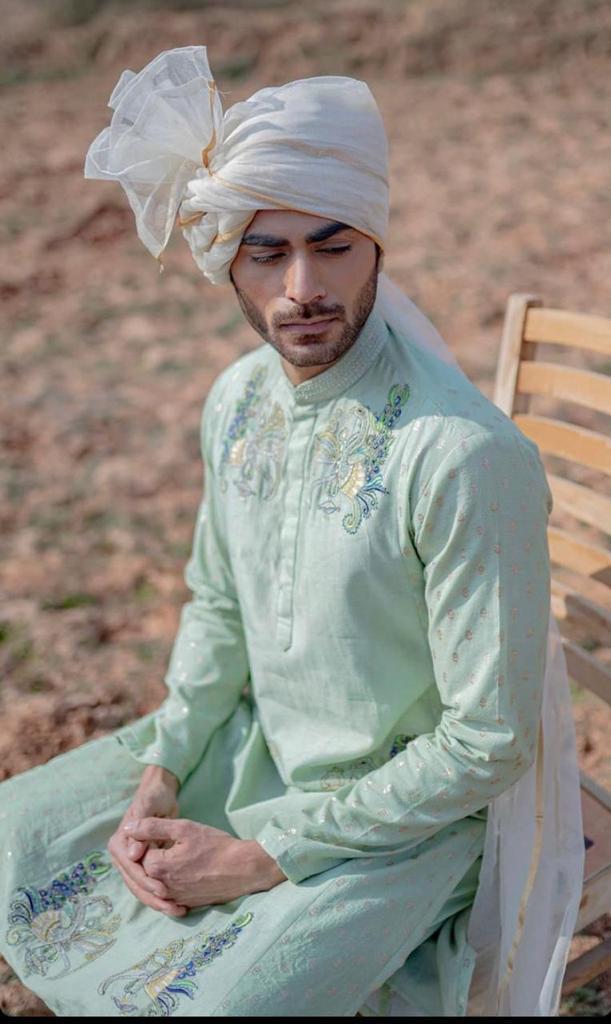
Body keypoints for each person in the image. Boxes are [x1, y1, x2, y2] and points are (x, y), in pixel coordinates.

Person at [0, 47, 584, 1018]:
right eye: (266, 252)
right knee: (13, 837)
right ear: (226, 260)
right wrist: (164, 768)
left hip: (406, 816)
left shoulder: (462, 456)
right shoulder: (236, 400)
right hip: (252, 745)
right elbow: (218, 602)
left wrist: (262, 855)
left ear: (377, 245)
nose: (301, 286)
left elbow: (486, 741)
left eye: (332, 245)